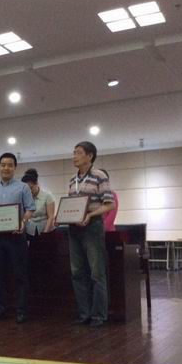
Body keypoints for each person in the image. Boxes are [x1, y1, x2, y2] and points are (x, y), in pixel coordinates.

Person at [68, 141, 115, 328]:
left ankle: (99, 315)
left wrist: (90, 215)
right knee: (77, 272)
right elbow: (71, 207)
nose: (74, 156)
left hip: (92, 227)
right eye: (74, 152)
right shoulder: (73, 180)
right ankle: (84, 313)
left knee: (96, 272)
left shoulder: (99, 176)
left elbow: (109, 204)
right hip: (74, 228)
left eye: (78, 153)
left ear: (90, 156)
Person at [0, 153, 35, 324]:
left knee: (20, 275)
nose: (6, 168)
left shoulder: (23, 188)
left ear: (15, 168)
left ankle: (21, 311)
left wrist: (22, 221)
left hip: (16, 237)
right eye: (3, 165)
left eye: (10, 165)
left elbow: (30, 209)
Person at [21, 168, 56, 239]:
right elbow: (24, 217)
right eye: (27, 189)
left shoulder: (47, 196)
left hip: (46, 231)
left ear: (36, 183)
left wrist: (45, 234)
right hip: (31, 231)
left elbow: (51, 217)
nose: (30, 191)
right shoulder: (25, 198)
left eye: (31, 188)